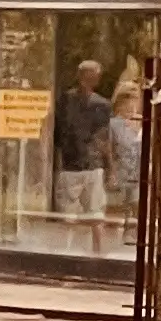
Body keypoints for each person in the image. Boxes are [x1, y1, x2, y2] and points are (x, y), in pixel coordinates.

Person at [52, 59, 112, 221]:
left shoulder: (101, 105)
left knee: (94, 215)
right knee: (73, 215)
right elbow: (56, 131)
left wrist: (108, 166)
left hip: (90, 164)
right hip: (72, 165)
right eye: (89, 76)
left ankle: (92, 246)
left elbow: (103, 138)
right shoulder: (65, 101)